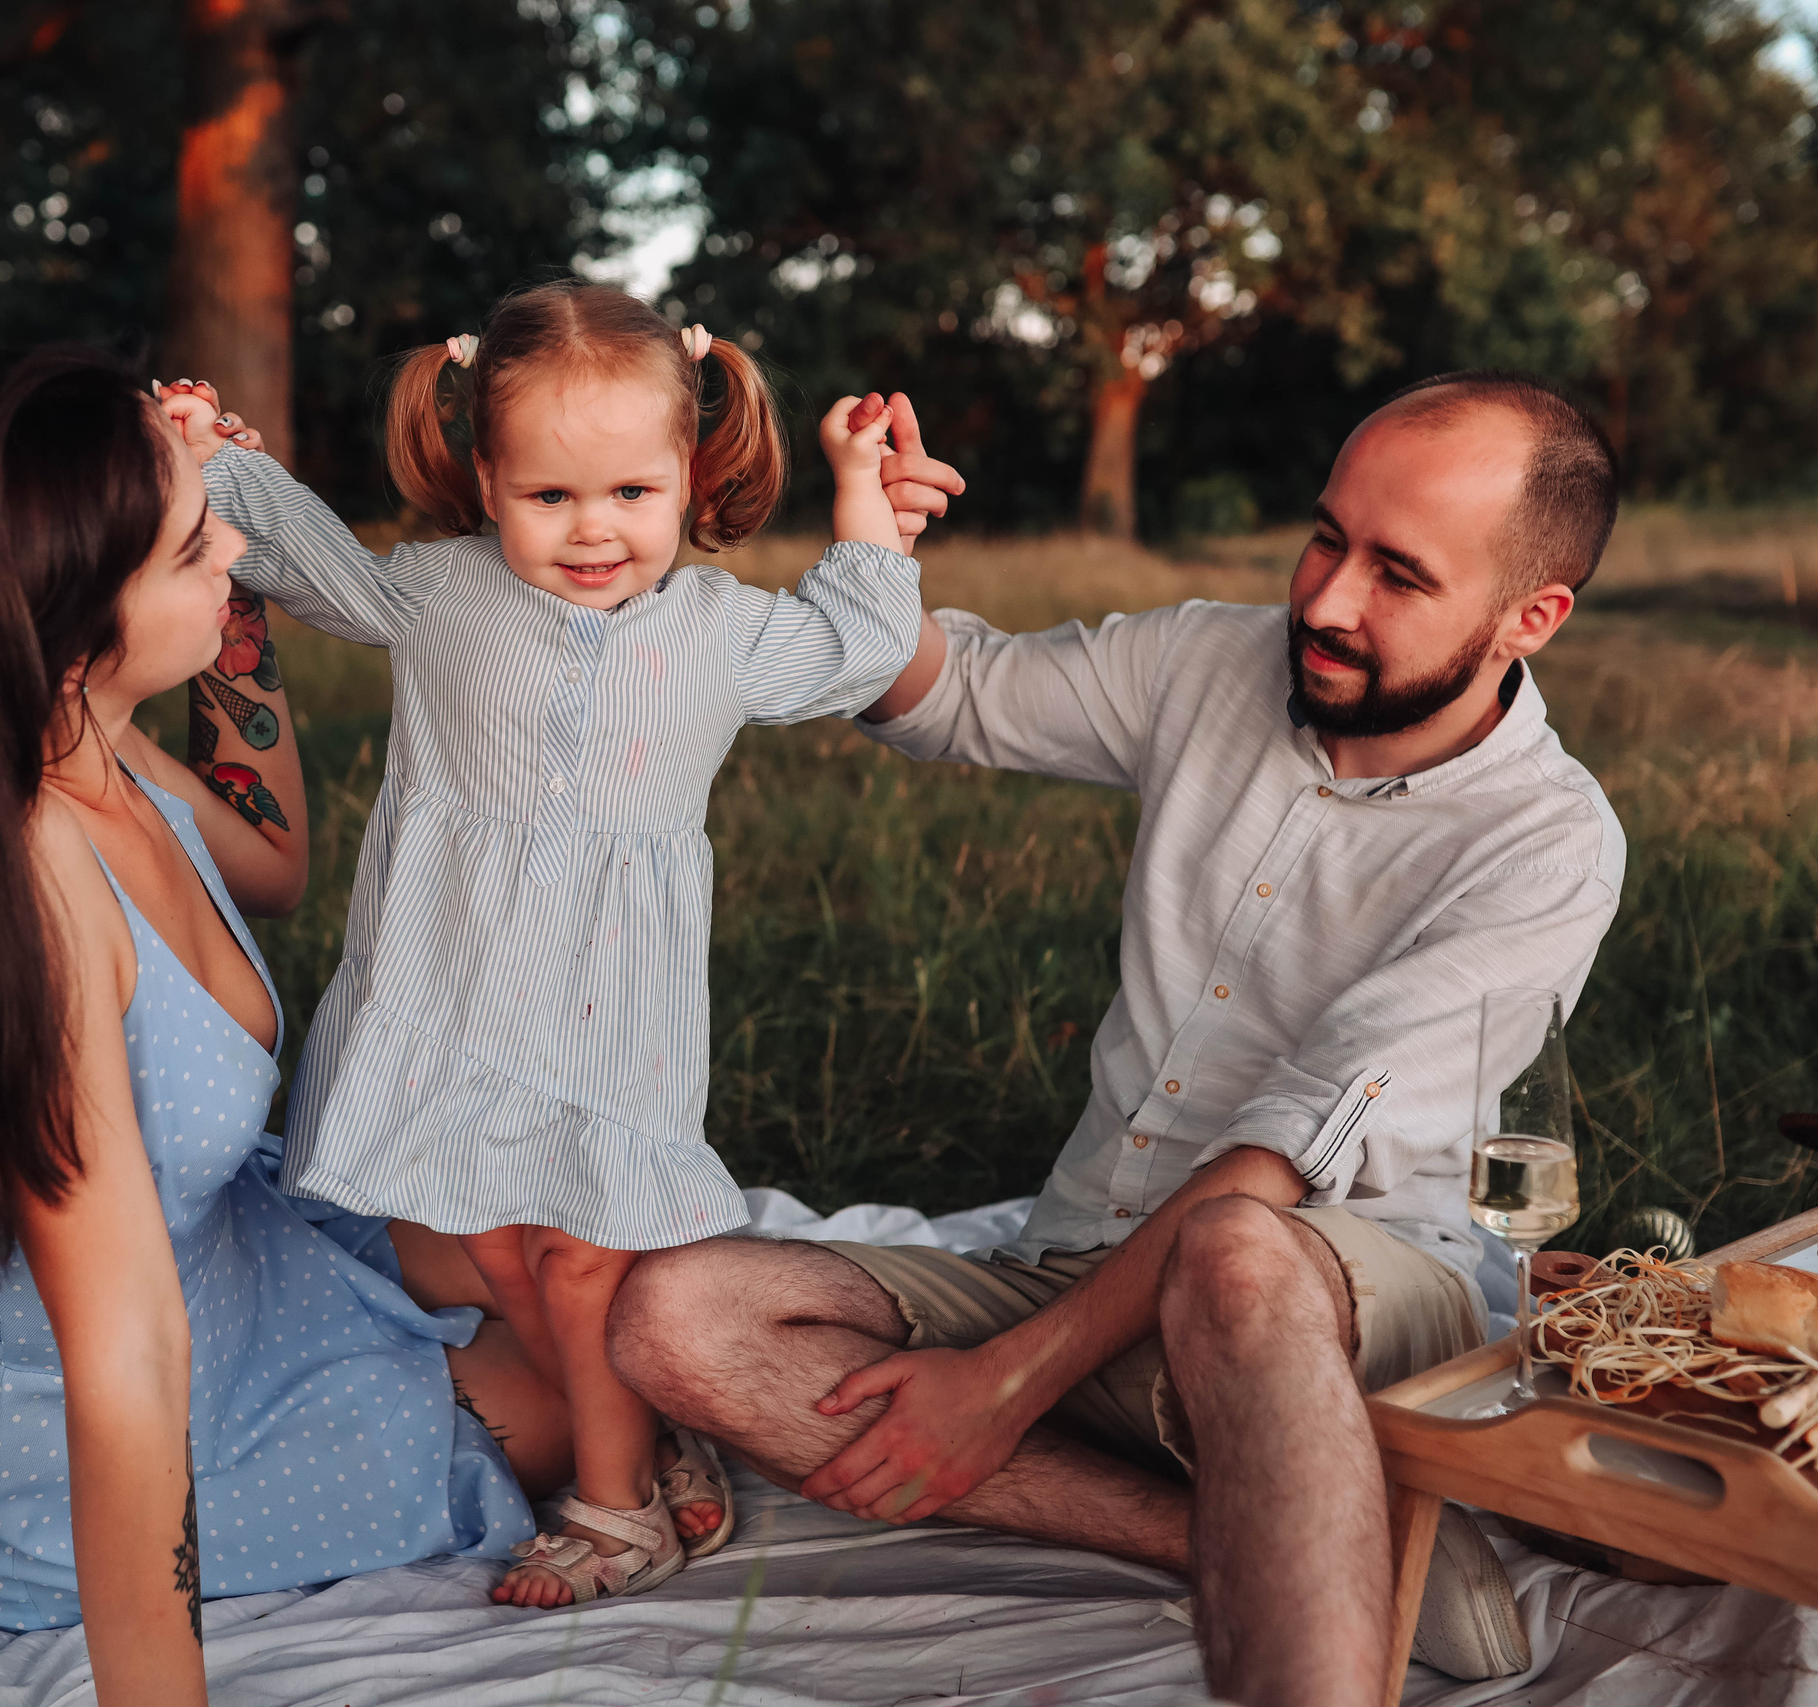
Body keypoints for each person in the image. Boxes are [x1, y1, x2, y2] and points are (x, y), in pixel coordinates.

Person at [608, 371, 1629, 1707]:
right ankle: (1251, 1539)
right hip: (1080, 1260)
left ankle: (1289, 1550)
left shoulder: (1547, 846)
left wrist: (999, 1386)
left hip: (1336, 1305)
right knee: (676, 1318)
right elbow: (948, 694)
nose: (1324, 600)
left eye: (1400, 575)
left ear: (1530, 617)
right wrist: (870, 553)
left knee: (1236, 1257)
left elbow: (1278, 1164)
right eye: (1327, 536)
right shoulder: (1218, 658)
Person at [0, 349, 563, 1707]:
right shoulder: (29, 883)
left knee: (579, 1249)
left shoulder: (76, 734)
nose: (235, 539)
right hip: (50, 1462)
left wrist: (217, 592)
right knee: (591, 1389)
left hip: (231, 1276)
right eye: (192, 546)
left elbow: (276, 863)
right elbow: (122, 1353)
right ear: (65, 627)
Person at [181, 279, 928, 1606]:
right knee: (485, 1252)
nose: (596, 534)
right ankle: (641, 1427)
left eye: (634, 495)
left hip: (605, 1008)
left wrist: (864, 498)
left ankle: (617, 1506)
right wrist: (217, 457)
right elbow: (314, 568)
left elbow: (859, 646)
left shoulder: (719, 630)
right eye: (552, 499)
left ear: (689, 474)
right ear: (485, 476)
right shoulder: (436, 595)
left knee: (581, 1252)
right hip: (449, 985)